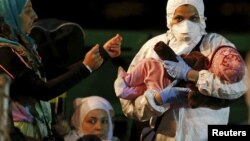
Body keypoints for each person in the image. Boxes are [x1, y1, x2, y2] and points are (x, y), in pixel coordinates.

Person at [114, 0, 248, 140]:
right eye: (179, 18)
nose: (186, 24)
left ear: (202, 18)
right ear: (169, 18)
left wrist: (192, 75)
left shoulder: (216, 45)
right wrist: (158, 100)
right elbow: (129, 107)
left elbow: (240, 86)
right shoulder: (152, 47)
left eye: (193, 18)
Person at [0, 0, 122, 140]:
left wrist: (101, 55)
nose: (35, 15)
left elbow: (48, 77)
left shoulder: (19, 48)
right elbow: (42, 90)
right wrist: (85, 67)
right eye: (27, 10)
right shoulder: (3, 53)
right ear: (8, 15)